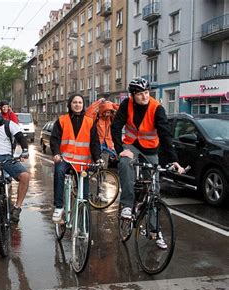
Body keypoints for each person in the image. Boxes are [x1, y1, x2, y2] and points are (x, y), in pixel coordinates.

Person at [111, 77, 185, 249]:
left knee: (154, 189)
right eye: (140, 94)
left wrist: (174, 160)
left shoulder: (157, 108)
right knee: (125, 162)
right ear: (133, 95)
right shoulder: (126, 105)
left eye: (146, 93)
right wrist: (119, 149)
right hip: (131, 144)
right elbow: (116, 126)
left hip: (151, 149)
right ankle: (127, 206)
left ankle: (154, 230)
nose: (144, 97)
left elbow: (165, 135)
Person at [50, 94, 101, 223]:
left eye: (80, 102)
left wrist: (98, 158)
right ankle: (59, 207)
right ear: (70, 104)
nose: (77, 105)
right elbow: (55, 139)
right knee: (59, 171)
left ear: (83, 105)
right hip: (65, 160)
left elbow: (94, 143)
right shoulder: (62, 120)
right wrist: (56, 153)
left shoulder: (90, 122)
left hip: (82, 163)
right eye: (74, 102)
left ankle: (84, 222)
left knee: (84, 195)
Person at [0, 102, 30, 223]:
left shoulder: (10, 125)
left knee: (25, 176)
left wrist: (25, 151)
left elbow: (21, 138)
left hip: (7, 157)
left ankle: (17, 208)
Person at [85, 98, 120, 167]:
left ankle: (102, 176)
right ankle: (94, 176)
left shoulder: (111, 118)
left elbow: (122, 112)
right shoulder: (96, 117)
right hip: (96, 144)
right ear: (102, 110)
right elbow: (88, 114)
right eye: (106, 111)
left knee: (103, 166)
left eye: (110, 111)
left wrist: (113, 105)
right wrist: (98, 102)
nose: (108, 113)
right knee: (94, 165)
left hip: (107, 145)